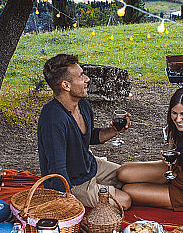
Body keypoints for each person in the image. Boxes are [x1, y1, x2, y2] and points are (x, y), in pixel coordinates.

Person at [38, 54, 132, 209]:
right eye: (81, 75)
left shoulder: (83, 105)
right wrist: (67, 204)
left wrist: (114, 130)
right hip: (73, 183)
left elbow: (87, 137)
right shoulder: (53, 119)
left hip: (89, 166)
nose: (87, 79)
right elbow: (57, 170)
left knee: (130, 176)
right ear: (66, 85)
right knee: (125, 200)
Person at [117, 87, 183, 226]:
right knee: (123, 172)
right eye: (174, 113)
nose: (178, 119)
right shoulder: (180, 129)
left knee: (127, 190)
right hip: (176, 170)